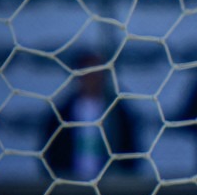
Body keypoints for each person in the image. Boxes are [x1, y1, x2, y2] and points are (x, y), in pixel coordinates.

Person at [42, 51, 141, 181]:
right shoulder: (62, 113)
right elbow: (51, 151)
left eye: (96, 73)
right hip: (70, 185)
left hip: (110, 186)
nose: (92, 78)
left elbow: (131, 149)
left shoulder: (119, 113)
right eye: (87, 73)